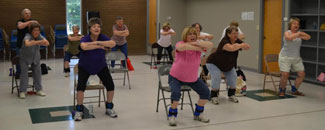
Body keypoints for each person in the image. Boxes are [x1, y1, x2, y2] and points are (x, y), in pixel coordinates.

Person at [167, 27, 213, 126]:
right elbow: (181, 48)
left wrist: (198, 43)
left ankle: (198, 114)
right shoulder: (180, 43)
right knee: (176, 94)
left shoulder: (199, 44)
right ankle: (172, 115)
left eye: (194, 34)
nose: (192, 35)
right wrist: (197, 46)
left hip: (192, 78)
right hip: (176, 77)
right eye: (189, 34)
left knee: (206, 92)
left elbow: (210, 44)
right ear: (185, 36)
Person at [74, 17, 117, 121]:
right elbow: (83, 46)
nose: (97, 28)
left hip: (100, 66)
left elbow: (112, 44)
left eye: (98, 27)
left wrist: (97, 43)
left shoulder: (103, 36)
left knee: (110, 85)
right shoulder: (85, 38)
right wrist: (100, 45)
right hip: (85, 66)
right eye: (94, 27)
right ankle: (79, 110)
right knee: (80, 87)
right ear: (90, 28)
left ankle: (109, 107)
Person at [206, 26, 250, 105]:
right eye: (234, 33)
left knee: (233, 77)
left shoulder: (237, 41)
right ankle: (213, 96)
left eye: (237, 33)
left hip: (227, 64)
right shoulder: (224, 41)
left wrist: (245, 45)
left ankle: (231, 95)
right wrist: (241, 45)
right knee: (217, 77)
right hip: (214, 63)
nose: (236, 35)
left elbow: (246, 47)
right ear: (228, 34)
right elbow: (231, 48)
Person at [278, 18, 311, 97]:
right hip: (285, 57)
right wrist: (299, 34)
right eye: (294, 24)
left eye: (297, 24)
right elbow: (289, 38)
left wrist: (301, 34)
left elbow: (308, 37)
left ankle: (294, 90)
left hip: (296, 58)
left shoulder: (299, 34)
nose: (296, 25)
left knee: (301, 74)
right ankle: (282, 90)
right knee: (285, 74)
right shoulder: (287, 32)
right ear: (290, 25)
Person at [19, 23, 49, 99]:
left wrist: (39, 41)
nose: (37, 32)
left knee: (38, 74)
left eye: (38, 30)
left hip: (35, 58)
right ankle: (22, 91)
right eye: (35, 30)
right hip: (24, 58)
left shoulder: (39, 36)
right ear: (31, 31)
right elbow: (27, 43)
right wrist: (38, 42)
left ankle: (39, 90)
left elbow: (47, 43)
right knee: (24, 74)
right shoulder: (27, 36)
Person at [16, 8, 39, 79]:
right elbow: (20, 26)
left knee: (34, 60)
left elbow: (37, 26)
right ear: (23, 14)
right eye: (26, 13)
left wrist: (30, 22)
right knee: (19, 60)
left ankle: (33, 73)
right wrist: (30, 22)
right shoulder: (19, 21)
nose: (28, 14)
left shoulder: (33, 21)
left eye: (29, 13)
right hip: (20, 45)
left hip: (31, 45)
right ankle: (19, 74)